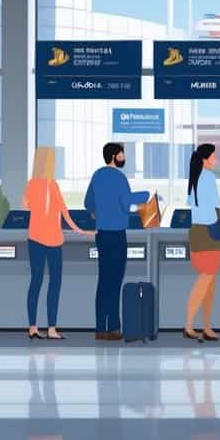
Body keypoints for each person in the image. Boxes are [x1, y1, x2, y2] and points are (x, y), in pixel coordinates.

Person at [83, 143, 151, 341]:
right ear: (114, 155)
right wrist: (145, 195)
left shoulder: (97, 175)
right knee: (115, 281)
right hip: (118, 234)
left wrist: (99, 213)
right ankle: (113, 327)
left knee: (103, 281)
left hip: (102, 234)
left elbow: (88, 203)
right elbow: (125, 201)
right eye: (122, 153)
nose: (123, 157)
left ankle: (100, 328)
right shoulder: (119, 177)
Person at [23, 147, 92, 341]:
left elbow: (25, 206)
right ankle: (52, 328)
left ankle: (32, 327)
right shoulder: (52, 185)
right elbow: (65, 213)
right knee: (55, 283)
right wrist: (82, 231)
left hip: (34, 239)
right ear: (48, 163)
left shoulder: (31, 184)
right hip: (53, 240)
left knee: (35, 281)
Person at [183, 143, 220, 343]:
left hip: (197, 231)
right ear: (205, 159)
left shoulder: (195, 177)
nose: (216, 160)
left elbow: (204, 206)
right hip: (209, 233)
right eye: (214, 156)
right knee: (204, 281)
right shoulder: (208, 177)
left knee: (209, 282)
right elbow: (215, 209)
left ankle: (207, 327)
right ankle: (189, 326)